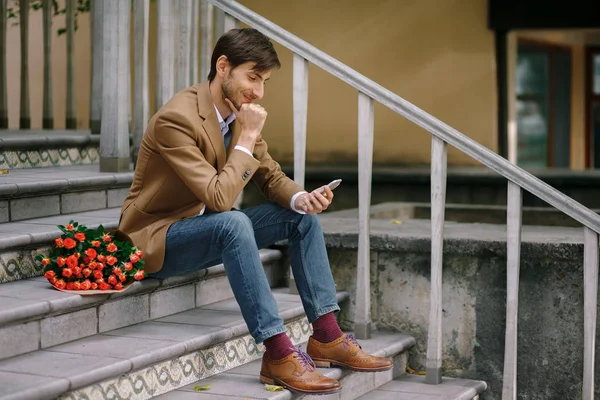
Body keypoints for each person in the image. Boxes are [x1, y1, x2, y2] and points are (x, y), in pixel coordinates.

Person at [118, 28, 392, 395]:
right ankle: (278, 353)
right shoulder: (177, 119)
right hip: (154, 239)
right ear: (223, 66)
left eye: (263, 80)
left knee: (300, 219)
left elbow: (270, 175)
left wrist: (302, 198)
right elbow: (218, 198)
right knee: (231, 222)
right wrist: (245, 138)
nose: (259, 92)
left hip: (201, 229)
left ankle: (327, 336)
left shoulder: (236, 114)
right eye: (252, 76)